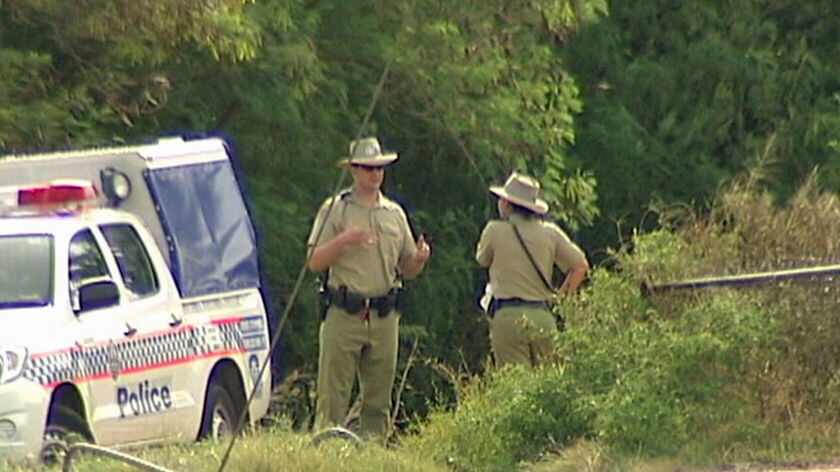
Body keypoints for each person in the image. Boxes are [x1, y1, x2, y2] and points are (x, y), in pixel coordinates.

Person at [306, 136, 431, 440]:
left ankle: (373, 458)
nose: (375, 174)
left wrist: (419, 259)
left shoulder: (394, 214)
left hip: (384, 317)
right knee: (332, 399)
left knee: (378, 402)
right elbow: (314, 261)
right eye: (367, 168)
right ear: (353, 171)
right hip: (344, 313)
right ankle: (327, 458)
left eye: (379, 168)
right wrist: (344, 240)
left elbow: (406, 268)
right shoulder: (337, 209)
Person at [475, 172, 588, 367]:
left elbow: (482, 260)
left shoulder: (494, 230)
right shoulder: (550, 233)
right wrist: (561, 298)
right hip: (542, 317)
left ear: (507, 204)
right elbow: (580, 266)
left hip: (508, 316)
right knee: (546, 387)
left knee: (514, 389)